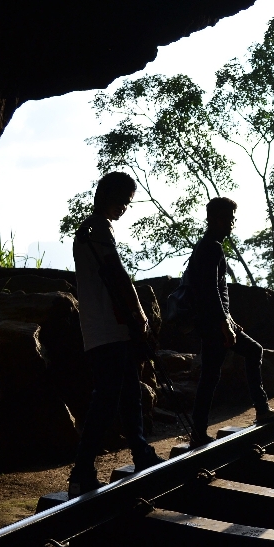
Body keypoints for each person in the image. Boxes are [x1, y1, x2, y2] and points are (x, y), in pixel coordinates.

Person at [68, 172, 164, 497]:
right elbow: (117, 275)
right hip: (108, 329)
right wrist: (140, 316)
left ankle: (140, 452)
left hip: (105, 330)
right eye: (122, 200)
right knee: (108, 400)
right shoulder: (97, 230)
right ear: (108, 195)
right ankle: (81, 471)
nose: (124, 207)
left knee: (129, 393)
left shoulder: (89, 230)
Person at [187, 197, 274, 446]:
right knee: (252, 352)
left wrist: (229, 319)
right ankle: (261, 410)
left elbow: (214, 291)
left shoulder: (206, 245)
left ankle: (198, 432)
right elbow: (210, 290)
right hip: (213, 325)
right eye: (230, 218)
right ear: (217, 219)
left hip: (213, 322)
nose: (232, 223)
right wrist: (224, 324)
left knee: (211, 375)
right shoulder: (212, 247)